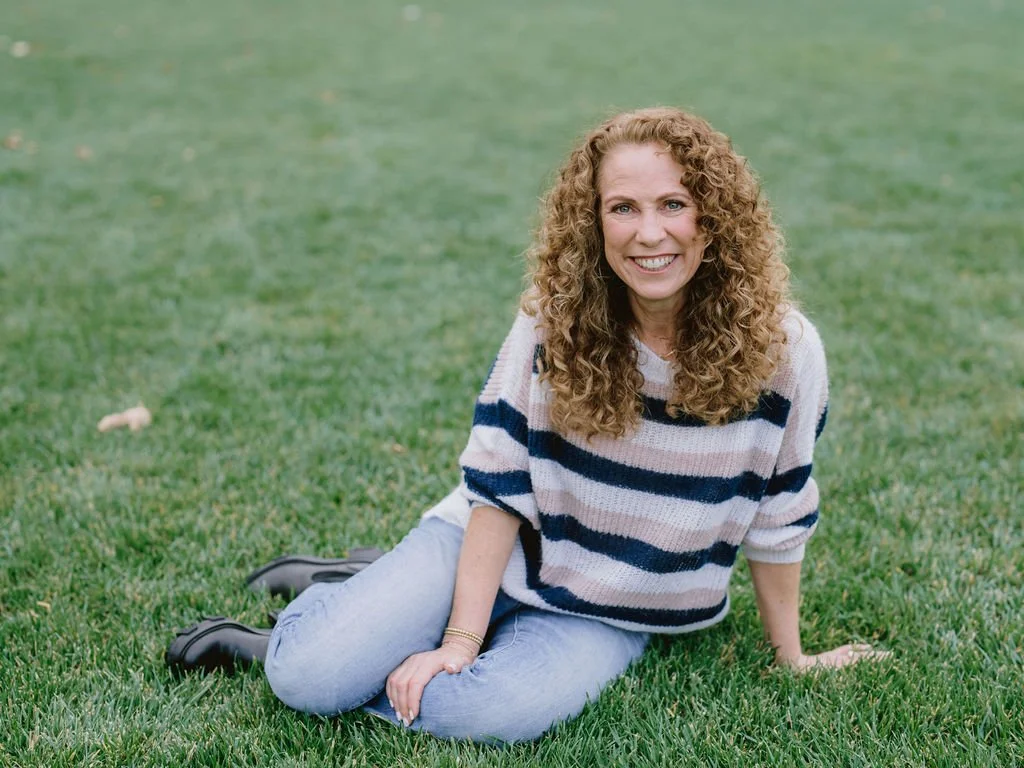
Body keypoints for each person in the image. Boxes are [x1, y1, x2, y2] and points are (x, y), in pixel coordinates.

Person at [166, 106, 889, 744]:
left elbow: (780, 509)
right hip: (492, 545)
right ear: (593, 220)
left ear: (714, 218)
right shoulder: (555, 323)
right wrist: (459, 639)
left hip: (608, 608)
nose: (649, 234)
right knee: (309, 679)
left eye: (674, 203)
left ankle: (368, 592)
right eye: (622, 208)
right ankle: (321, 624)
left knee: (491, 713)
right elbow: (502, 481)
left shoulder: (786, 351)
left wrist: (791, 656)